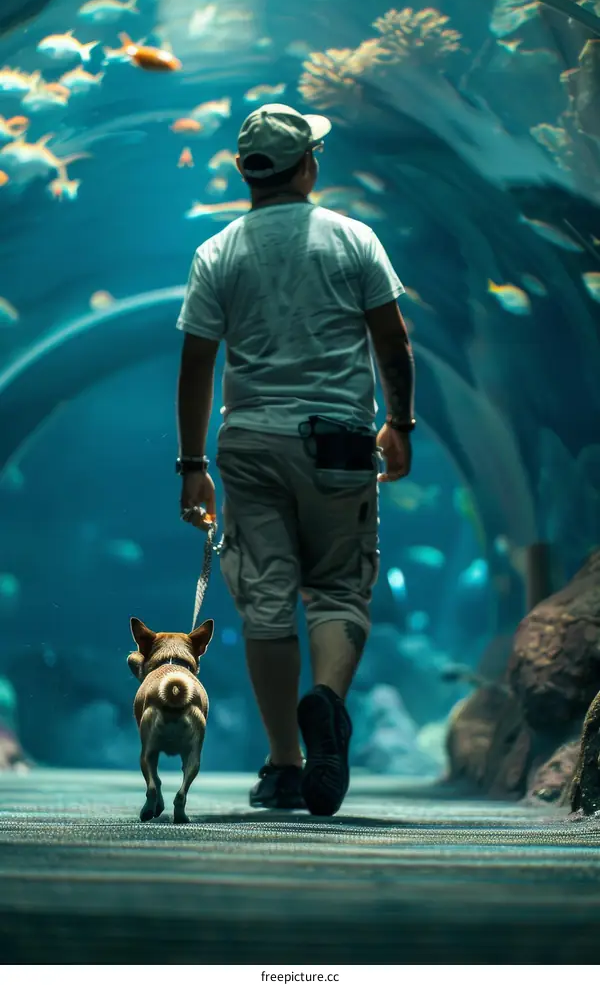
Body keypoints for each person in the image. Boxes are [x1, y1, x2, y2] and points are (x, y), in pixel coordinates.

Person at [175, 103, 415, 816]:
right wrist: (399, 422)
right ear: (308, 164)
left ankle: (284, 762)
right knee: (340, 587)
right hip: (339, 439)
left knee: (266, 601)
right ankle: (328, 705)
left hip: (248, 442)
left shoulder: (218, 251)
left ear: (246, 173)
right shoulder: (353, 240)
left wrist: (192, 463)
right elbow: (393, 342)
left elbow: (195, 365)